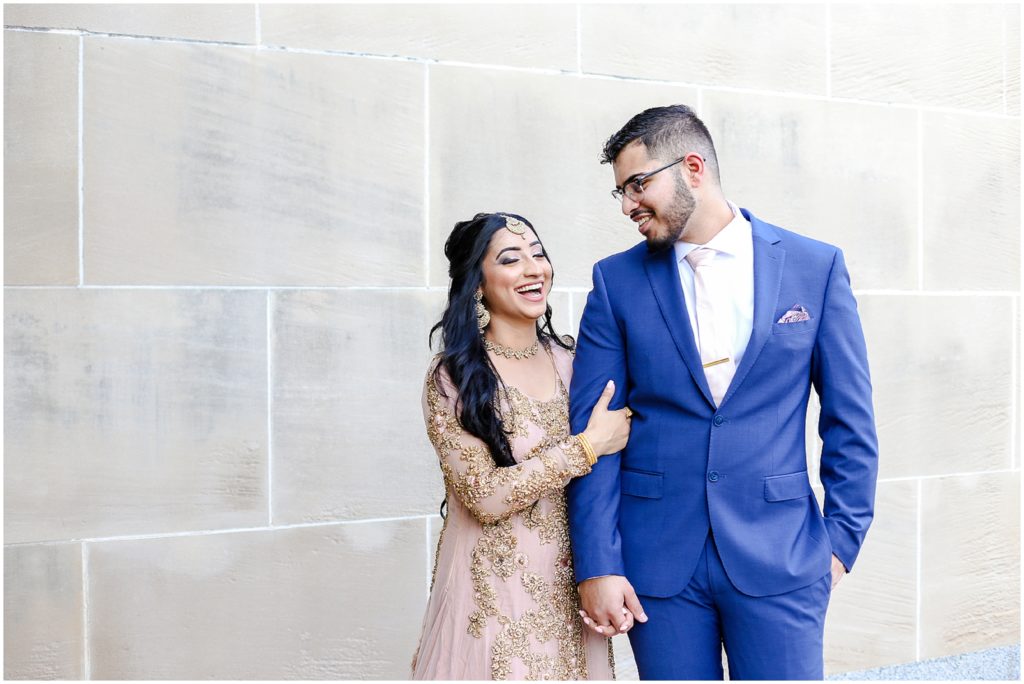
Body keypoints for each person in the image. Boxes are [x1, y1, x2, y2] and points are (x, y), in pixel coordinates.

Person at [567, 105, 879, 680]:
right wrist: (598, 565)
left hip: (782, 557)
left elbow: (850, 422)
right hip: (656, 565)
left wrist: (838, 545)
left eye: (638, 184)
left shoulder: (815, 267)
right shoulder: (616, 281)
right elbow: (594, 432)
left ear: (692, 167)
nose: (628, 204)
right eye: (620, 192)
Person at [411, 211, 632, 680]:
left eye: (538, 254)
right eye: (512, 259)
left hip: (571, 593)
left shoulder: (575, 364)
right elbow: (485, 496)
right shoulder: (454, 378)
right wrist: (586, 446)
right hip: (491, 594)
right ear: (477, 284)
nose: (534, 269)